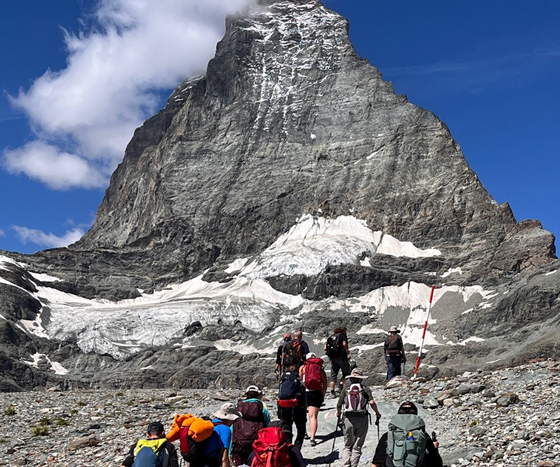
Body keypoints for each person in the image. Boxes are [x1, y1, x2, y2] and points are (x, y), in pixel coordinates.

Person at [370, 401, 442, 467]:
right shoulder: (423, 435)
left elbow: (376, 464)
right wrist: (435, 448)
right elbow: (437, 463)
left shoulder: (388, 435)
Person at [336, 368, 381, 467]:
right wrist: (377, 413)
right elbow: (372, 402)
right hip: (362, 418)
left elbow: (339, 404)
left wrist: (338, 414)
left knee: (348, 445)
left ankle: (346, 465)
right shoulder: (365, 389)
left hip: (348, 418)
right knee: (357, 446)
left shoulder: (346, 389)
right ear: (361, 379)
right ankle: (354, 464)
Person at [232, 385, 271, 466]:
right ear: (259, 395)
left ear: (246, 395)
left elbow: (233, 427)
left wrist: (229, 450)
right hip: (257, 442)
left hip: (240, 443)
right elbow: (267, 426)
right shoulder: (263, 408)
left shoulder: (239, 408)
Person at [299, 352, 327, 446]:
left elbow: (299, 382)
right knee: (313, 416)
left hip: (305, 393)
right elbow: (324, 383)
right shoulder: (320, 368)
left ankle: (304, 433)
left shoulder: (303, 368)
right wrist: (322, 395)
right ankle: (312, 438)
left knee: (303, 415)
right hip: (316, 393)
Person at [277, 364, 307, 448]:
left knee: (287, 430)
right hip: (298, 409)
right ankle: (296, 449)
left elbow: (279, 396)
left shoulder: (283, 381)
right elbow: (304, 399)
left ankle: (287, 450)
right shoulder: (298, 382)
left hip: (284, 409)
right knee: (301, 430)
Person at [203, 403, 242, 467]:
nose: (233, 423)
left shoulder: (210, 425)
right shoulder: (225, 429)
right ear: (229, 419)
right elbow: (224, 458)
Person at [325, 326, 351, 396]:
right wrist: (347, 351)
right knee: (346, 373)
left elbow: (325, 348)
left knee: (333, 375)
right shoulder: (342, 336)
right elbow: (344, 344)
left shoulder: (331, 337)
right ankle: (340, 386)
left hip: (333, 358)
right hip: (341, 357)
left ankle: (332, 391)